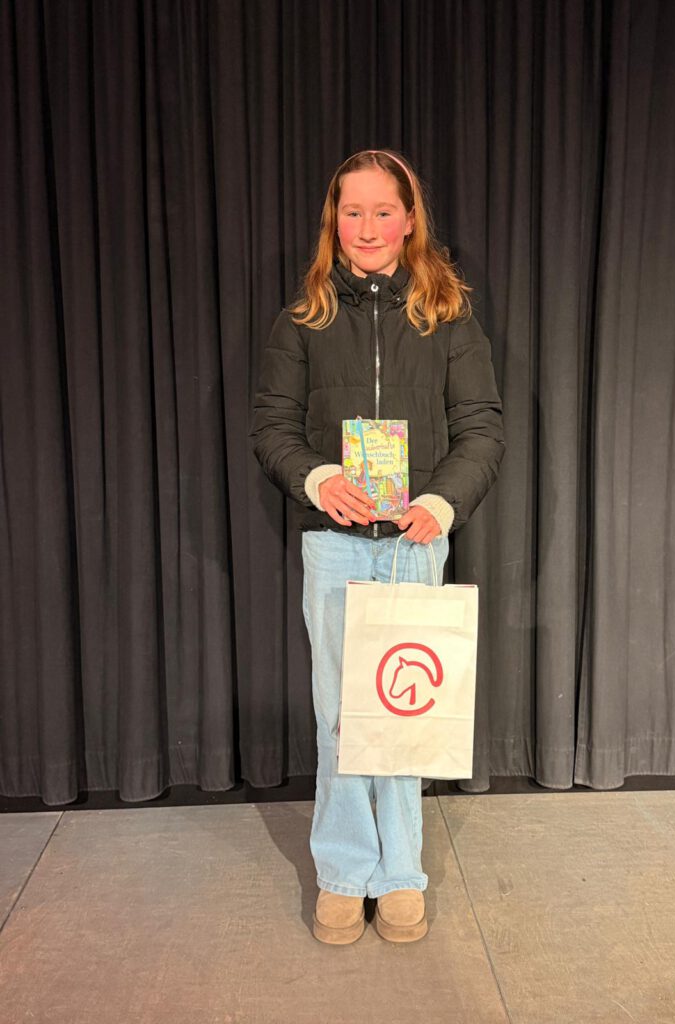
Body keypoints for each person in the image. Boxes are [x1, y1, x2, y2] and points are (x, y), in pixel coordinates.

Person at [250, 149, 504, 945]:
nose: (367, 227)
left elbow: (482, 428)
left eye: (382, 211)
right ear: (335, 221)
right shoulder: (304, 319)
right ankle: (343, 872)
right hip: (335, 546)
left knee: (403, 713)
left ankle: (399, 874)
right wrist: (318, 477)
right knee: (340, 715)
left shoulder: (447, 316)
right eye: (352, 211)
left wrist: (441, 500)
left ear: (409, 219)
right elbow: (272, 427)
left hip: (414, 547)